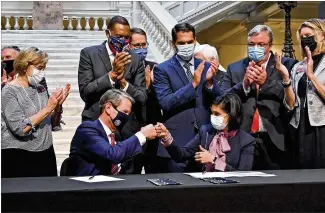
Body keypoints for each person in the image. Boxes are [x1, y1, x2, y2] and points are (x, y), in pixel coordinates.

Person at [220, 25, 297, 170]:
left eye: (261, 44)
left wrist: (265, 83)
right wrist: (244, 85)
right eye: (251, 44)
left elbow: (292, 99)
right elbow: (222, 101)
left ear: (270, 45)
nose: (256, 48)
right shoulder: (234, 68)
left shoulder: (288, 64)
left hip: (276, 138)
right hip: (243, 138)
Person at [78, 16, 147, 174]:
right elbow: (85, 92)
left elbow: (142, 97)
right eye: (118, 36)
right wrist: (111, 76)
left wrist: (123, 82)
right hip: (98, 125)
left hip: (127, 129)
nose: (122, 40)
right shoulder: (89, 54)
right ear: (108, 34)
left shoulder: (135, 60)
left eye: (126, 37)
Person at [153, 23, 221, 172]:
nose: (186, 45)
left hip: (205, 140)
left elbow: (220, 102)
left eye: (190, 42)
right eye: (182, 43)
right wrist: (193, 84)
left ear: (195, 40)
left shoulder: (205, 65)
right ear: (174, 43)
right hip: (178, 141)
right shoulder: (162, 69)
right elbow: (165, 102)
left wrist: (210, 83)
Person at [1, 47, 70, 178]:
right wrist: (48, 108)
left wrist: (58, 107)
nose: (41, 72)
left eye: (43, 68)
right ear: (25, 65)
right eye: (39, 67)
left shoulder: (41, 89)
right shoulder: (9, 91)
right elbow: (20, 128)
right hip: (18, 155)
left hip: (45, 153)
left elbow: (52, 124)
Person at [64, 89, 158, 176]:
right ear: (108, 107)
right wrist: (142, 135)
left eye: (128, 114)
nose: (126, 117)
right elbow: (112, 154)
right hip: (87, 189)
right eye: (124, 112)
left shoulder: (120, 135)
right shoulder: (88, 129)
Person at [157, 93, 255, 172]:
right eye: (212, 113)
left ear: (232, 115)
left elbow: (243, 175)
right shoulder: (206, 132)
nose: (213, 117)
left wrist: (214, 161)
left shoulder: (246, 141)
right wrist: (167, 137)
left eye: (217, 114)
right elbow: (182, 155)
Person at [276, 19, 325, 169]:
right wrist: (286, 79)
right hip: (300, 126)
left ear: (322, 35)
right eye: (302, 37)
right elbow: (290, 105)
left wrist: (311, 75)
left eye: (309, 35)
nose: (305, 40)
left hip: (321, 127)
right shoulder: (298, 66)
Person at [128, 27, 162, 173]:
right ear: (129, 46)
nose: (141, 48)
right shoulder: (125, 68)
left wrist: (152, 87)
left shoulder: (155, 67)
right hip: (132, 128)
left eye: (144, 45)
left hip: (153, 126)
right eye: (137, 46)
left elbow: (161, 100)